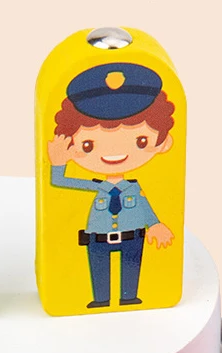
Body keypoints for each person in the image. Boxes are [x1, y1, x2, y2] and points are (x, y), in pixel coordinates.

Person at [47, 62, 176, 308]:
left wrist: (155, 224)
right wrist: (58, 163)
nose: (114, 153)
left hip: (132, 236)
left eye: (141, 141)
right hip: (97, 239)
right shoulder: (96, 186)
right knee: (99, 269)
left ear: (163, 142)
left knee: (131, 268)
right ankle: (101, 299)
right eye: (88, 145)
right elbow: (59, 181)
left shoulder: (133, 189)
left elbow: (145, 207)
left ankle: (129, 297)